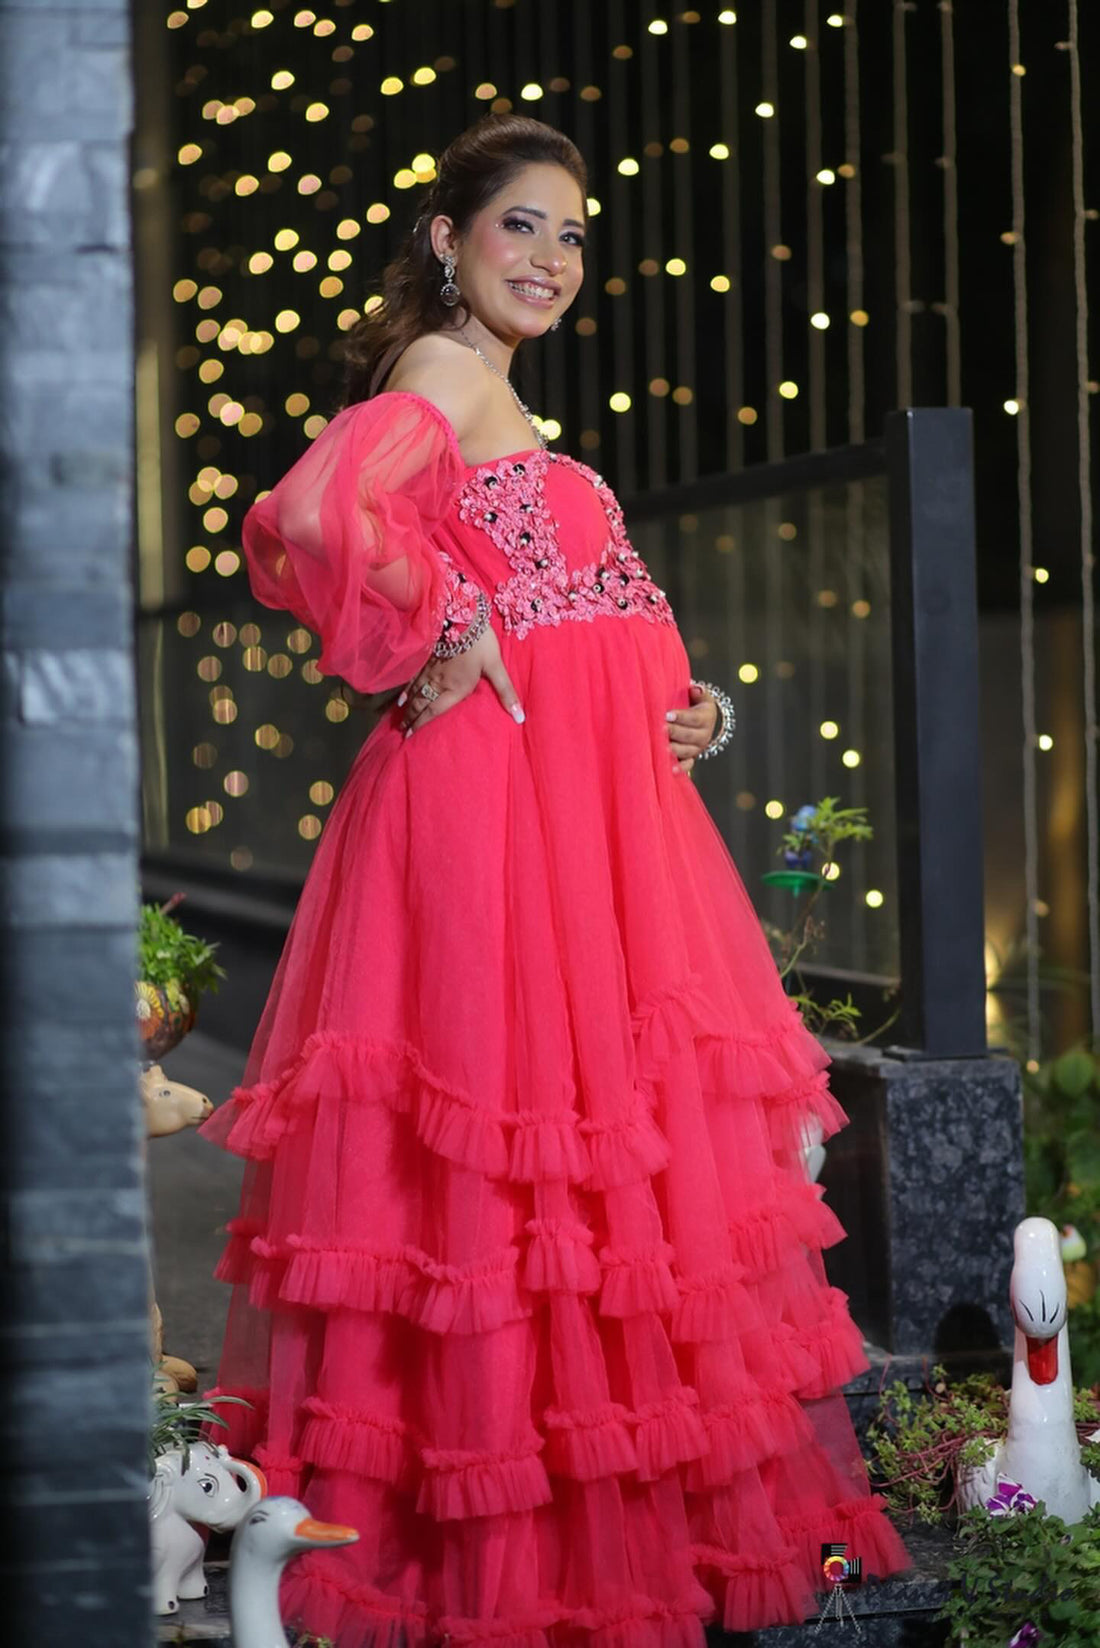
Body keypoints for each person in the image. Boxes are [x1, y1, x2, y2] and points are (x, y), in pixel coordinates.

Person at [200, 113, 910, 1648]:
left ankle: (588, 1531)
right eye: (520, 224)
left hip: (589, 833)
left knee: (575, 1181)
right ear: (446, 239)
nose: (551, 258)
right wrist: (440, 626)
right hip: (499, 829)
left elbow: (573, 604)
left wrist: (682, 707)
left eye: (573, 234)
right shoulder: (445, 372)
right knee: (506, 1171)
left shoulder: (498, 395)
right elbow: (313, 517)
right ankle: (505, 1556)